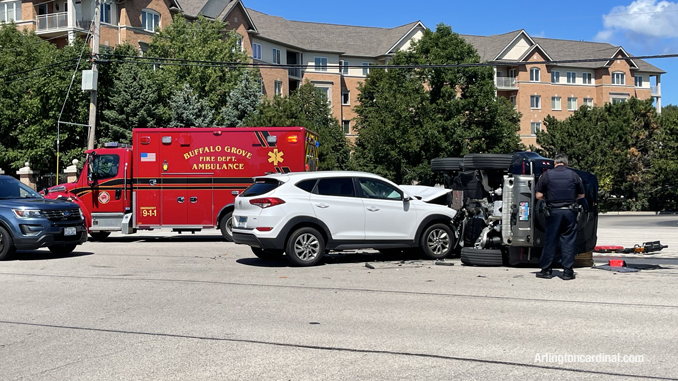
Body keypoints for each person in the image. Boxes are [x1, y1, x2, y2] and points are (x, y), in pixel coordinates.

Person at [534, 153, 585, 280]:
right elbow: (582, 195)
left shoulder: (546, 175)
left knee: (550, 240)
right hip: (569, 212)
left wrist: (549, 198)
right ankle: (567, 272)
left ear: (554, 163)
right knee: (568, 241)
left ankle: (546, 270)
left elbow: (538, 195)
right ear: (566, 163)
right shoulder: (574, 175)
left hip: (553, 212)